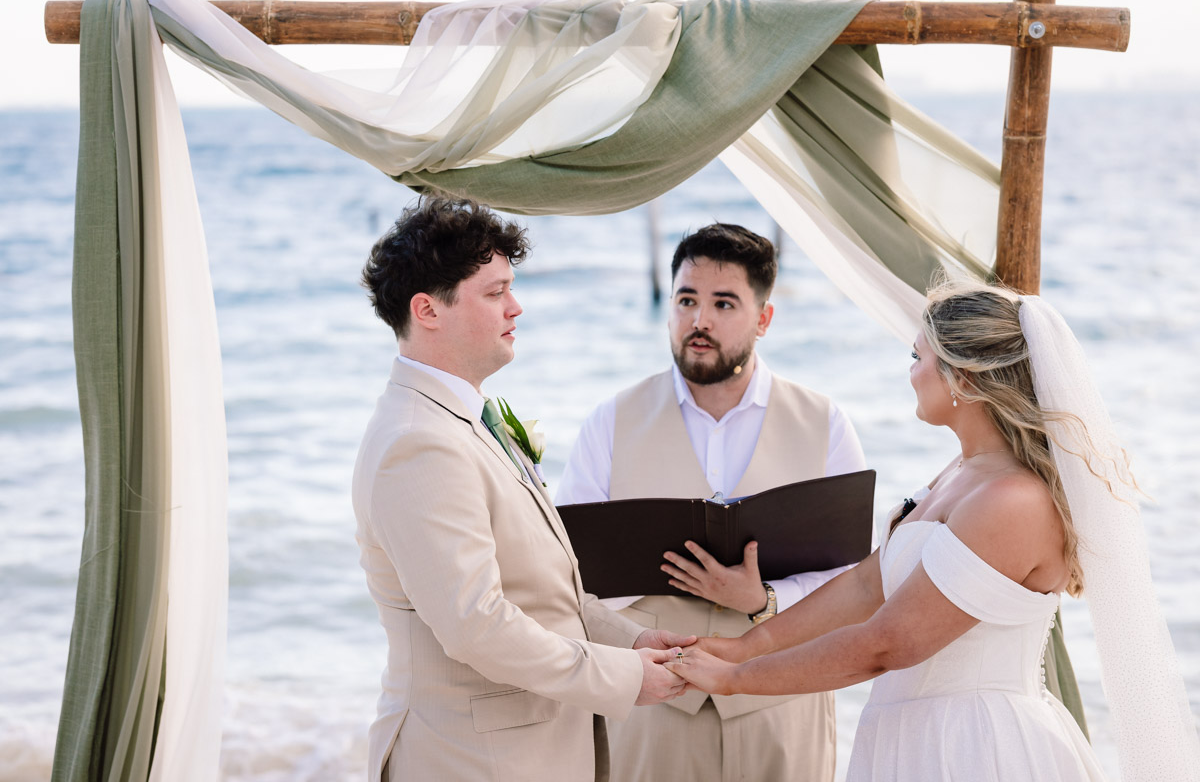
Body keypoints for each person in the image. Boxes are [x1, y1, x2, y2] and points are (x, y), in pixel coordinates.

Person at [669, 278, 1200, 780]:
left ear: (962, 378)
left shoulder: (1012, 500)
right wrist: (744, 647)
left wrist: (737, 682)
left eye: (918, 357)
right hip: (916, 733)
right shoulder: (961, 473)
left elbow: (888, 644)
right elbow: (864, 587)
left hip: (976, 746)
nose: (911, 371)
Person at [352, 196, 695, 782]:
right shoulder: (419, 444)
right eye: (494, 292)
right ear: (428, 310)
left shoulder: (463, 419)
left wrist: (631, 640)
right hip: (469, 760)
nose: (516, 307)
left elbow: (538, 589)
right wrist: (624, 678)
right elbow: (477, 624)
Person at [557, 223, 869, 781]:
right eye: (686, 300)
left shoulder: (825, 424)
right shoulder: (610, 422)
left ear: (764, 319)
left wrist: (764, 598)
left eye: (723, 303)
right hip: (652, 706)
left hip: (781, 703)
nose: (699, 321)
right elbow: (569, 575)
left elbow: (855, 580)